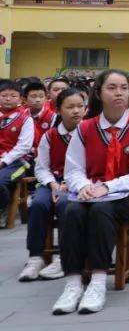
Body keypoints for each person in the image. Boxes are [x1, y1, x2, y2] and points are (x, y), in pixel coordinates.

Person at [52, 69, 129, 315]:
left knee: (101, 209)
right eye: (112, 88)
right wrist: (84, 186)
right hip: (89, 193)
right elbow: (73, 169)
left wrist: (107, 187)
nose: (119, 93)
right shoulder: (85, 128)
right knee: (71, 209)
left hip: (126, 196)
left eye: (123, 88)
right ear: (98, 93)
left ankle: (97, 281)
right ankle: (73, 282)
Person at [19, 88, 85, 282]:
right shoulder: (50, 136)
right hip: (52, 183)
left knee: (65, 205)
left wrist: (69, 184)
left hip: (78, 185)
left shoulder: (89, 133)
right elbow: (41, 168)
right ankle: (35, 257)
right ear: (58, 109)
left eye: (80, 106)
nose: (76, 111)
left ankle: (64, 257)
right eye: (70, 107)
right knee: (38, 204)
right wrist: (53, 185)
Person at [0, 80, 35, 222]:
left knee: (0, 182)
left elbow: (24, 147)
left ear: (21, 99)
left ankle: (2, 207)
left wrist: (4, 161)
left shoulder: (25, 119)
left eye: (13, 96)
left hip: (17, 162)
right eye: (4, 95)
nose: (8, 99)